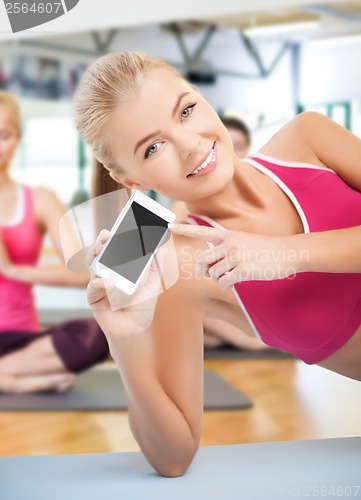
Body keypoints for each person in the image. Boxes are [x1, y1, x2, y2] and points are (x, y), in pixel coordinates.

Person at [73, 52, 361, 477]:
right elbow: (173, 456)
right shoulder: (178, 264)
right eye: (153, 148)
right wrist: (125, 343)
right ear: (131, 180)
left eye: (186, 111)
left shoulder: (309, 138)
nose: (190, 145)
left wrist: (285, 252)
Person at [0, 92, 109, 394]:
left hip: (19, 339)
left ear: (18, 139)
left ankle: (8, 376)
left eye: (3, 136)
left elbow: (83, 273)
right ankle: (11, 382)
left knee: (96, 334)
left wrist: (13, 270)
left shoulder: (41, 199)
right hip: (22, 360)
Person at [172, 115, 268, 350]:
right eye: (229, 145)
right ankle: (234, 337)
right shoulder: (192, 197)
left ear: (247, 150)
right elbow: (173, 235)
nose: (234, 154)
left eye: (240, 147)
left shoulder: (259, 191)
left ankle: (213, 335)